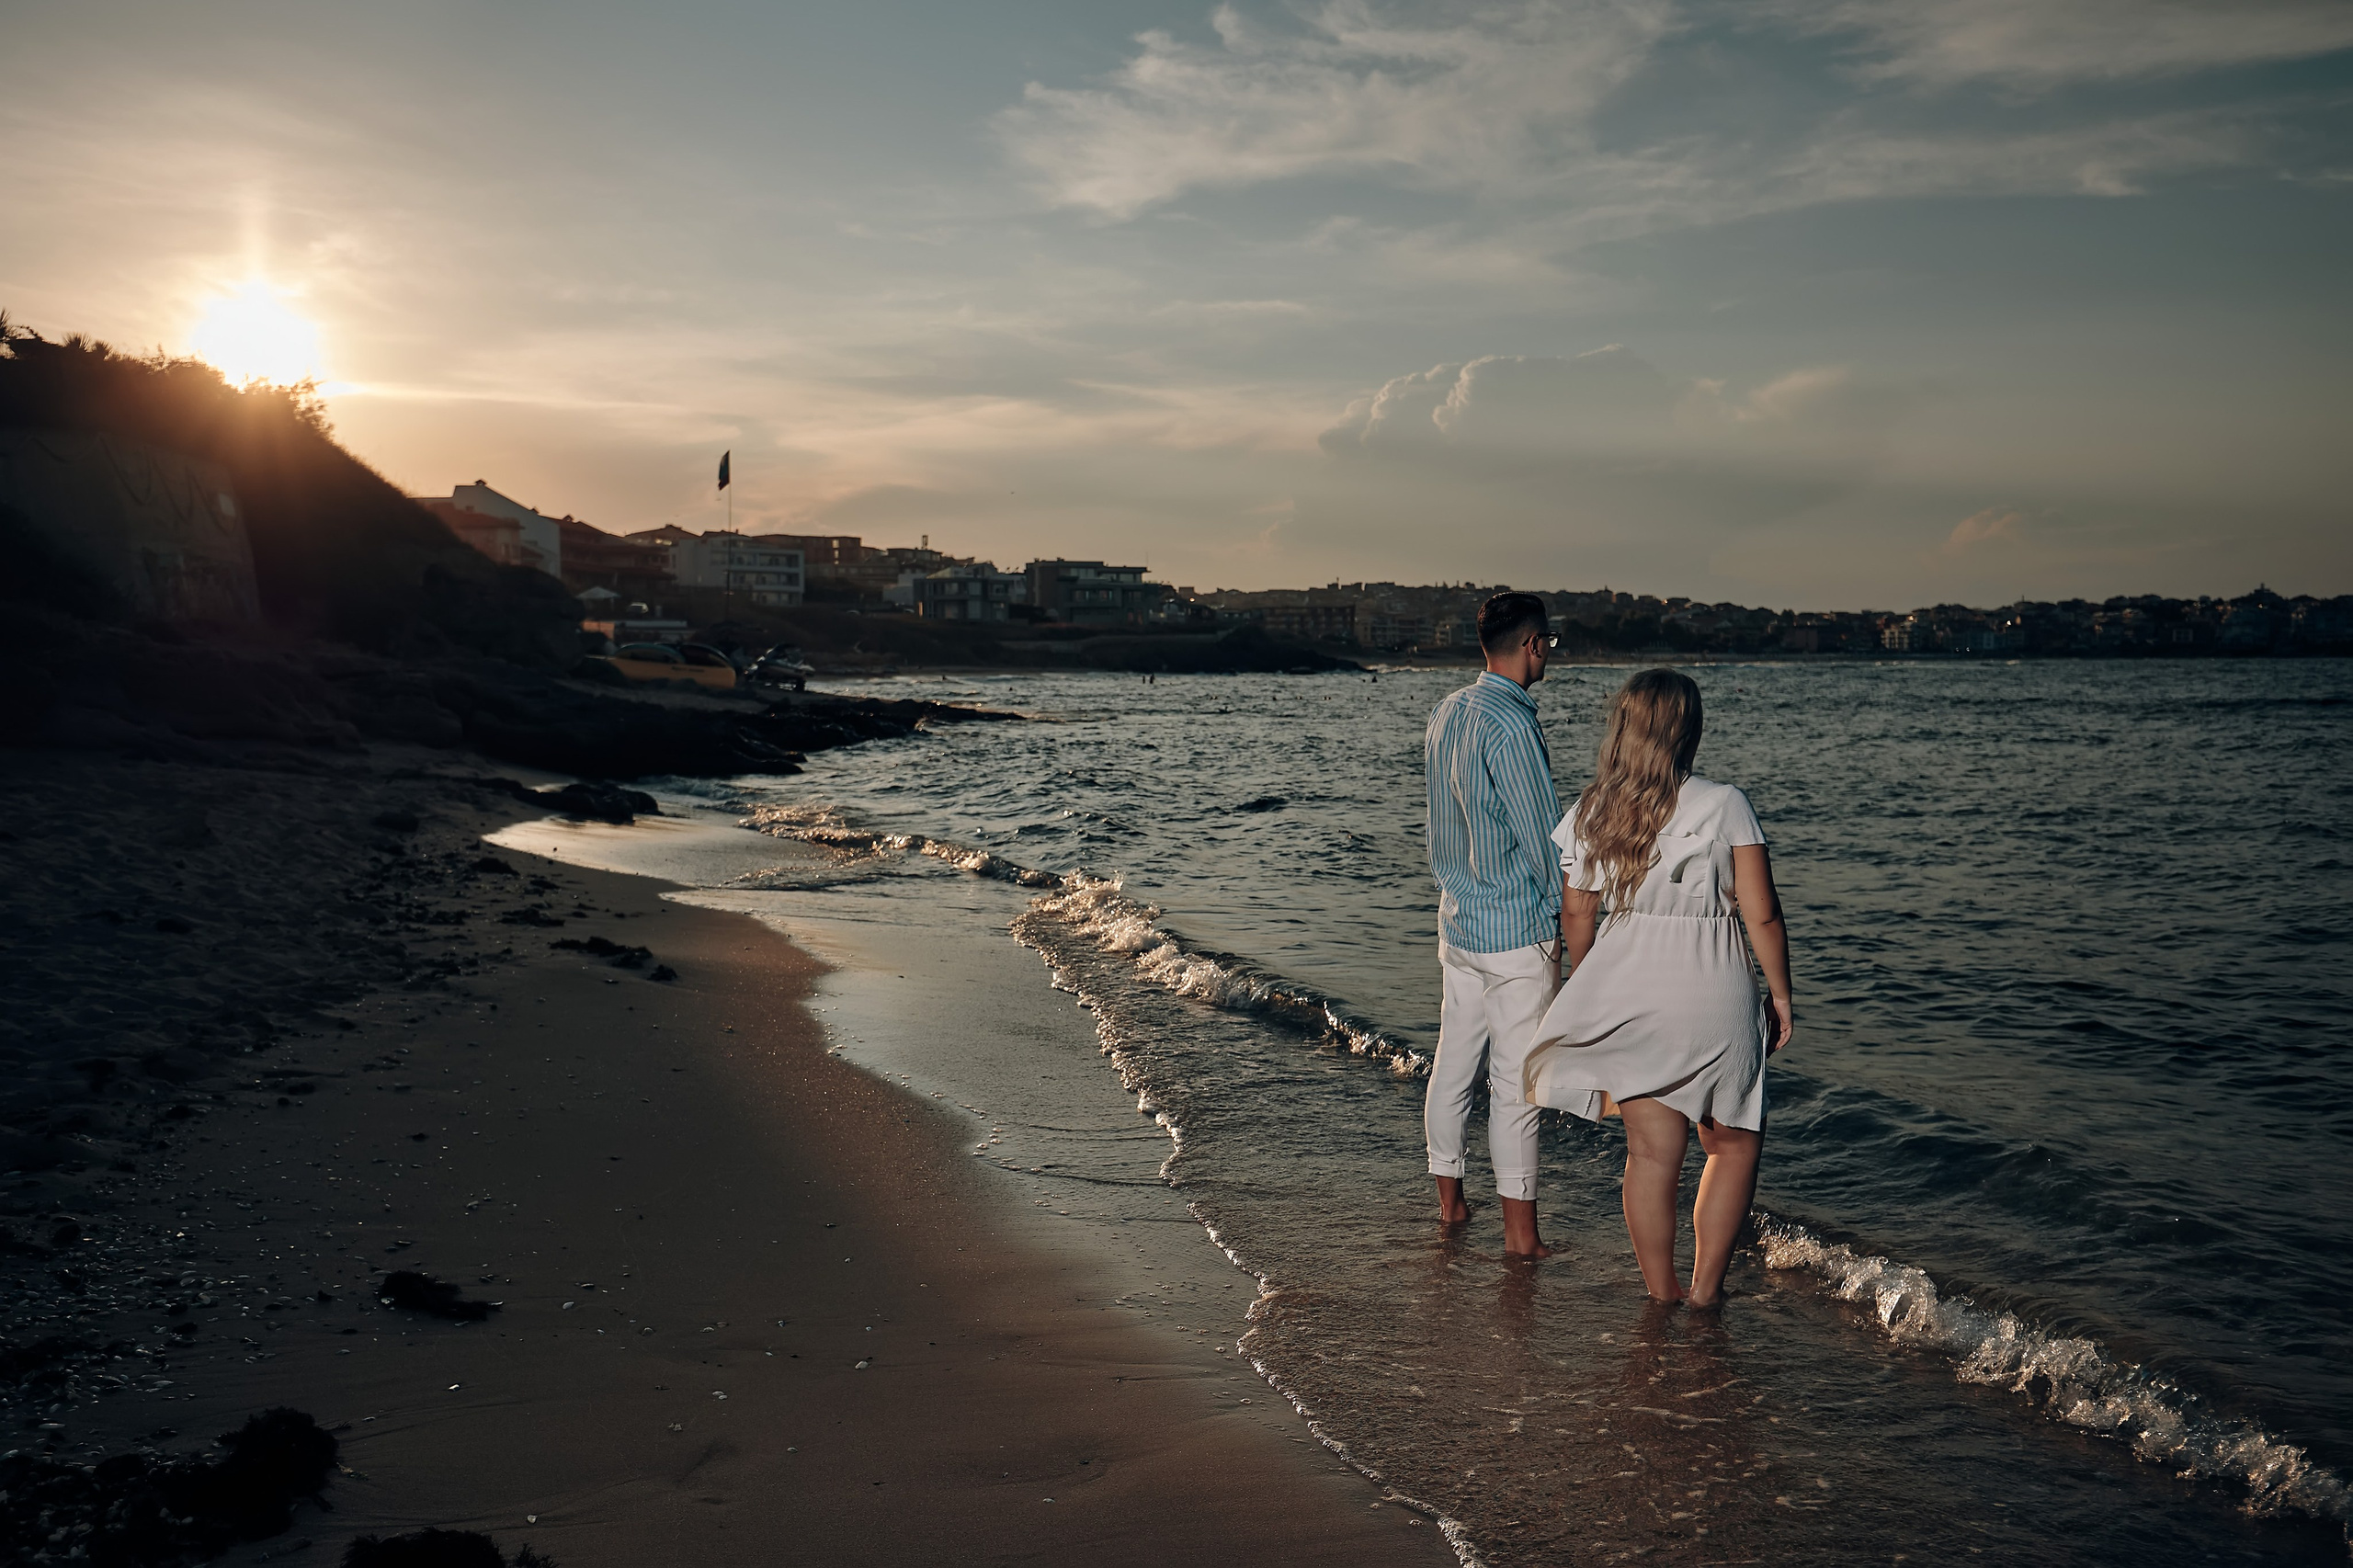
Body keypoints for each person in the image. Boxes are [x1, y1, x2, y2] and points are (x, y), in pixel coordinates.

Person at [1524, 668, 1792, 1307]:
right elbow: (1762, 913)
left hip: (1628, 985)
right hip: (1714, 989)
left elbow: (1577, 918)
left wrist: (1595, 986)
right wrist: (1781, 995)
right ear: (1687, 729)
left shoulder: (1593, 810)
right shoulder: (1726, 803)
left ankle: (1661, 1293)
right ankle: (1704, 1293)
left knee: (1650, 1155)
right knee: (1732, 1143)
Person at [1423, 591, 1564, 1258]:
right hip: (1514, 934)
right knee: (1515, 1085)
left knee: (1454, 1066)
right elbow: (1544, 842)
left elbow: (1440, 825)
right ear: (1533, 645)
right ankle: (1521, 1238)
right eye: (1549, 645)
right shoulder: (1511, 726)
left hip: (1461, 923)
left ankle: (1452, 1206)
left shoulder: (1448, 711)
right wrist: (1568, 924)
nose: (1548, 657)